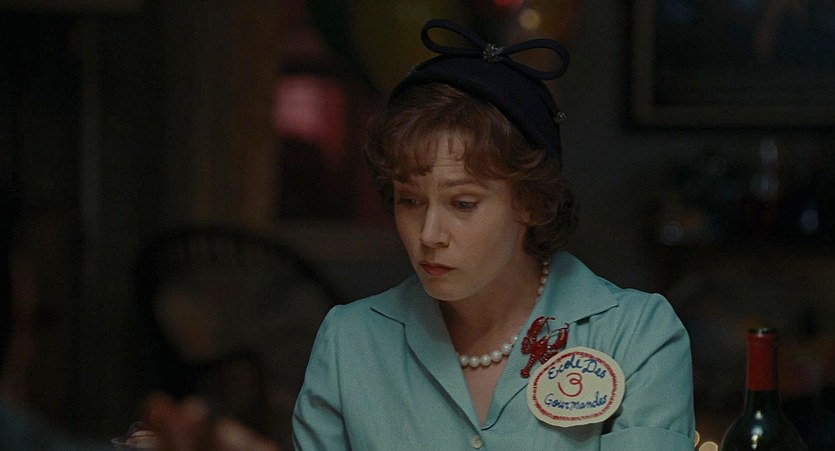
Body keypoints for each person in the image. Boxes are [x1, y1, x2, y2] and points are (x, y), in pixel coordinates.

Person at [291, 19, 695, 450]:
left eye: (463, 204)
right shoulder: (349, 341)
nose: (429, 234)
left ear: (531, 202)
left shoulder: (635, 334)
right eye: (410, 201)